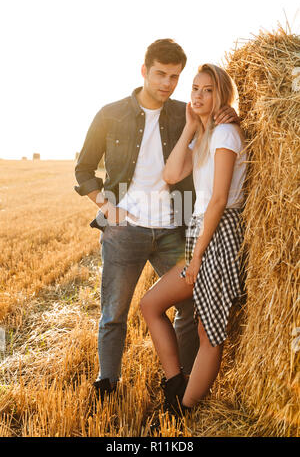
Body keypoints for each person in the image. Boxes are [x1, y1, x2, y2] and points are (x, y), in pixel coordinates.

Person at [74, 40, 239, 400]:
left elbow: (214, 122)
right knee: (115, 311)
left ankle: (182, 380)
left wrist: (230, 114)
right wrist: (106, 206)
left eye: (175, 77)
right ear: (145, 71)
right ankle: (108, 384)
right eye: (161, 74)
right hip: (124, 229)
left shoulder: (186, 112)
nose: (168, 83)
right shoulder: (110, 114)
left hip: (174, 227)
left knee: (188, 307)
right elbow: (83, 169)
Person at [140, 63, 247, 415]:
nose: (198, 96)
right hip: (201, 234)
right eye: (195, 89)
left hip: (218, 233)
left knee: (208, 333)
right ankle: (176, 384)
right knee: (151, 305)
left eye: (208, 90)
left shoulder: (226, 134)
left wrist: (198, 254)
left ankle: (183, 409)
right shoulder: (205, 136)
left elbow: (218, 200)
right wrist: (189, 126)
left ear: (222, 95)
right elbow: (170, 174)